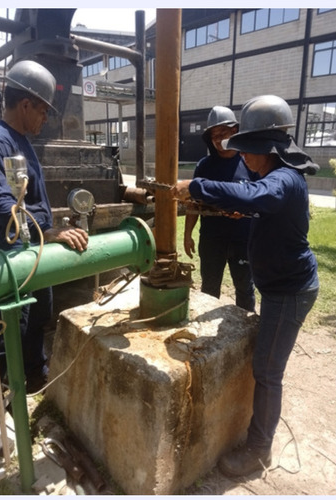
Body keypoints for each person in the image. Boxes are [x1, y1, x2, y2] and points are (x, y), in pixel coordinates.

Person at [171, 95, 319, 477]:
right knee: (263, 363)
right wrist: (248, 207)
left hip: (288, 291)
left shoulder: (283, 178)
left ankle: (258, 451)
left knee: (268, 372)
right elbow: (260, 201)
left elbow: (263, 195)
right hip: (279, 287)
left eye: (247, 150)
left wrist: (196, 186)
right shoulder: (273, 175)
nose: (243, 159)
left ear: (265, 148)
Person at [0, 60, 88, 457]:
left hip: (33, 254)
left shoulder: (22, 141)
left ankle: (32, 384)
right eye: (43, 109)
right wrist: (48, 232)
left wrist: (49, 231)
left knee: (34, 324)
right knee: (2, 333)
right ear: (25, 104)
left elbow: (31, 202)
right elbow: (1, 203)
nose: (45, 117)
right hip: (12, 257)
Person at [184, 106, 256, 311]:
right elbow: (193, 202)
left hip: (243, 239)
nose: (217, 139)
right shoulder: (204, 165)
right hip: (212, 239)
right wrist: (187, 234)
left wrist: (244, 211)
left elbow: (260, 198)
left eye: (222, 133)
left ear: (234, 132)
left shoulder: (249, 162)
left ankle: (248, 332)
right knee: (209, 288)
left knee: (244, 287)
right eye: (213, 135)